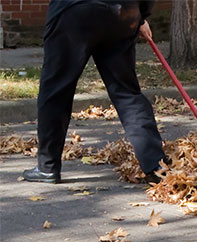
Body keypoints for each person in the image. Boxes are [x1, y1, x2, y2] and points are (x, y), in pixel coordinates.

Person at [23, 0, 166, 184]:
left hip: (75, 10)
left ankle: (47, 167)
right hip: (124, 12)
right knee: (126, 92)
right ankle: (156, 166)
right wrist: (141, 15)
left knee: (56, 90)